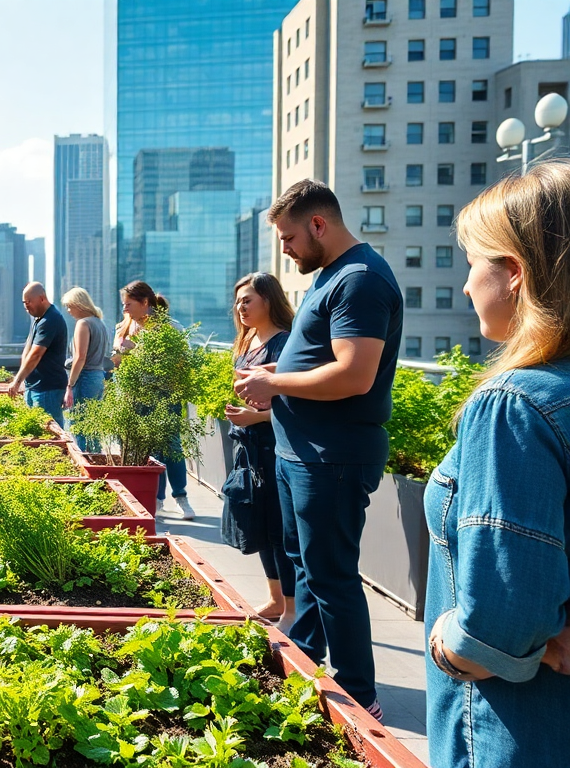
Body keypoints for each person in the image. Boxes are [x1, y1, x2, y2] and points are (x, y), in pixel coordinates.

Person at [234, 179, 403, 720]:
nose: (284, 248)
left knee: (331, 575)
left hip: (330, 457)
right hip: (300, 452)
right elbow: (317, 359)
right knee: (306, 569)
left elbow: (355, 374)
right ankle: (304, 661)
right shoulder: (332, 275)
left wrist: (276, 385)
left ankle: (359, 695)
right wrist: (276, 371)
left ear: (319, 225)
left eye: (288, 237)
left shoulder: (360, 280)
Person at [422, 160, 570, 767]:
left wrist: (443, 645)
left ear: (513, 273)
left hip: (513, 730)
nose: (464, 286)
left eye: (473, 263)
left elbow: (497, 626)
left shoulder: (514, 404)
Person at [222, 272, 296, 632]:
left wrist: (258, 417)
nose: (241, 307)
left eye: (247, 300)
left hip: (274, 446)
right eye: (238, 301)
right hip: (249, 444)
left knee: (279, 528)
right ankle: (275, 598)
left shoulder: (285, 344)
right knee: (260, 524)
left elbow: (295, 403)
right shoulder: (248, 341)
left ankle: (291, 611)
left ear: (269, 299)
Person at [114, 280, 190, 518]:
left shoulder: (171, 328)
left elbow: (184, 361)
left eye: (128, 304)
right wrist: (121, 352)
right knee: (150, 449)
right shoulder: (123, 328)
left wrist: (135, 349)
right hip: (135, 396)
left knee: (171, 445)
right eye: (123, 304)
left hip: (166, 395)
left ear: (145, 303)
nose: (124, 309)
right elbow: (116, 365)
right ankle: (156, 499)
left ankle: (181, 497)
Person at [7, 282, 69, 428]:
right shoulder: (38, 319)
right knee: (35, 431)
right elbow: (28, 349)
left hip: (47, 388)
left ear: (42, 298)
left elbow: (35, 354)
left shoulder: (50, 319)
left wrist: (16, 381)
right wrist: (22, 380)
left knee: (49, 434)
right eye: (24, 302)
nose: (26, 306)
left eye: (29, 302)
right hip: (34, 386)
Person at [61, 286, 110, 451]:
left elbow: (80, 357)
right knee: (92, 426)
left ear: (79, 304)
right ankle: (96, 462)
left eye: (70, 305)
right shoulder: (99, 323)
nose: (68, 310)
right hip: (97, 376)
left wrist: (70, 385)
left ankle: (86, 466)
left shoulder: (83, 323)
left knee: (79, 425)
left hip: (84, 377)